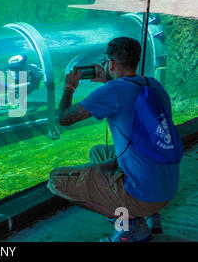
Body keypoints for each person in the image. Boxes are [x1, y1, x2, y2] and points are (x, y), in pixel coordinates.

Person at [47, 37, 181, 242]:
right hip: (167, 187)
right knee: (98, 153)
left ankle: (130, 226)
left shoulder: (112, 91)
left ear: (110, 63)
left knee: (57, 181)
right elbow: (129, 100)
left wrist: (69, 88)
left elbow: (64, 118)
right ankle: (153, 217)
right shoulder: (153, 85)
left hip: (144, 196)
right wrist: (109, 80)